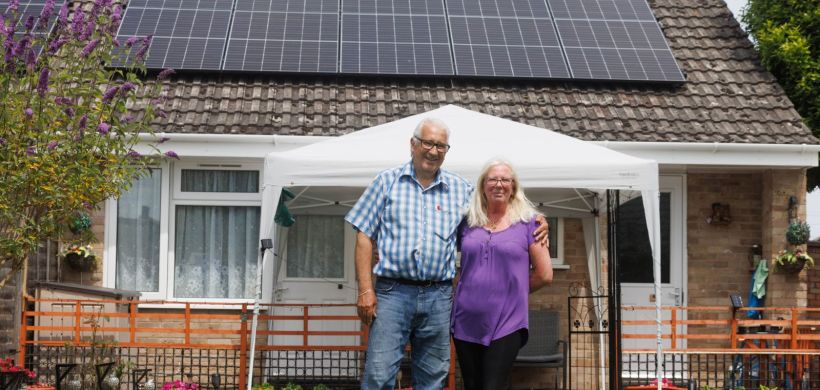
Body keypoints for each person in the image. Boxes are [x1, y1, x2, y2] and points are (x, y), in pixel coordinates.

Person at [345, 118, 548, 389]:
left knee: (433, 378)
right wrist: (365, 290)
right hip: (393, 293)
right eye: (428, 143)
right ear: (413, 144)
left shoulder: (461, 190)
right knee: (379, 374)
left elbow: (495, 208)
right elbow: (363, 235)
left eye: (441, 145)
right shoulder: (386, 182)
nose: (433, 150)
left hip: (438, 297)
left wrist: (538, 218)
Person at [451, 158, 553, 390]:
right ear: (482, 186)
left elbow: (545, 274)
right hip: (466, 320)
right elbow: (437, 244)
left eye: (505, 180)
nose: (499, 184)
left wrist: (512, 291)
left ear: (513, 187)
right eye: (492, 179)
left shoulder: (530, 224)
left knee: (492, 385)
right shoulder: (467, 222)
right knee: (472, 384)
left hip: (507, 321)